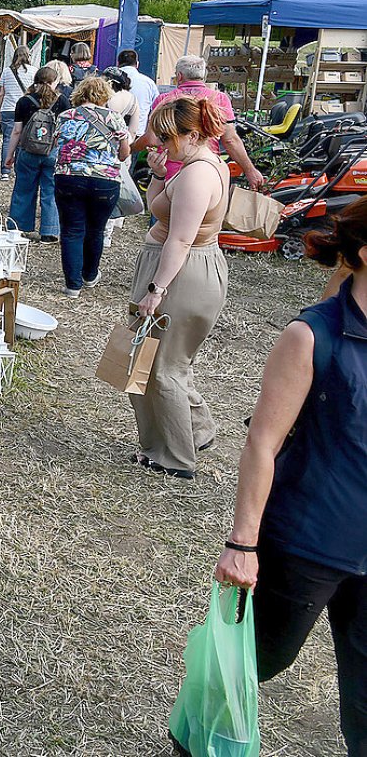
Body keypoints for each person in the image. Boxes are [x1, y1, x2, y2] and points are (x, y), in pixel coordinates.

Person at [213, 199, 367, 754]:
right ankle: (199, 736)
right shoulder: (311, 336)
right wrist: (242, 542)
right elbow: (262, 443)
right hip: (309, 541)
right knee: (257, 660)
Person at [125, 95, 230, 478]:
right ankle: (197, 431)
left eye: (168, 139)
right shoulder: (195, 164)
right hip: (183, 270)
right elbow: (157, 208)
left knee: (159, 366)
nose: (161, 146)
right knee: (172, 363)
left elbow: (181, 239)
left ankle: (174, 456)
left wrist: (156, 289)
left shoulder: (198, 175)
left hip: (182, 274)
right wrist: (156, 175)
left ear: (193, 134)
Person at [51, 76, 130, 295]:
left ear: (79, 93)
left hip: (69, 176)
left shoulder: (65, 116)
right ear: (105, 95)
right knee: (96, 230)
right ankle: (90, 274)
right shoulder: (114, 118)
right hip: (105, 180)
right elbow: (124, 154)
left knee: (71, 230)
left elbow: (57, 143)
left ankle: (72, 285)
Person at [141, 54, 266, 190]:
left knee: (164, 208)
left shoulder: (164, 100)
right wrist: (250, 170)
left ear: (179, 76)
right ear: (203, 76)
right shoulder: (219, 98)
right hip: (207, 169)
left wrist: (131, 148)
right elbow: (230, 140)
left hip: (170, 171)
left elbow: (151, 139)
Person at [6, 66, 69, 242]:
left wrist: (9, 155)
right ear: (55, 82)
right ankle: (49, 231)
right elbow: (65, 130)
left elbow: (17, 131)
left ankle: (18, 226)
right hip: (52, 152)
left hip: (27, 152)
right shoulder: (62, 101)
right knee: (51, 191)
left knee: (23, 189)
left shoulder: (24, 101)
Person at [0, 43, 35, 181]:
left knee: (8, 139)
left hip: (8, 108)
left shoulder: (7, 71)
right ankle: (19, 169)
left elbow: (1, 93)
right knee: (23, 141)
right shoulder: (33, 71)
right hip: (26, 109)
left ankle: (5, 171)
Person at [102, 66, 144, 139]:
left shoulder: (102, 96)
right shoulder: (132, 98)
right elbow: (133, 129)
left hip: (101, 140)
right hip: (121, 140)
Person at [117, 49, 159, 116]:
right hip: (140, 126)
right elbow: (156, 108)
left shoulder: (106, 80)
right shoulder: (149, 83)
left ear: (118, 63)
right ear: (137, 64)